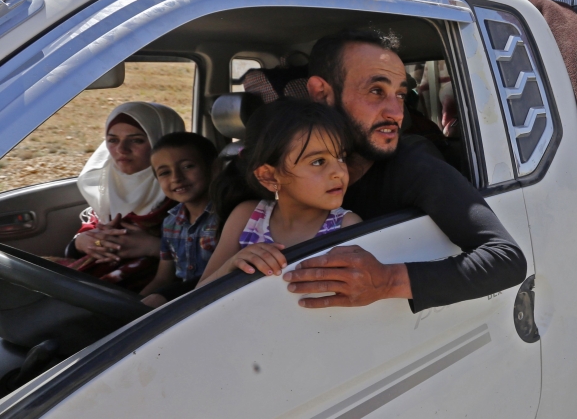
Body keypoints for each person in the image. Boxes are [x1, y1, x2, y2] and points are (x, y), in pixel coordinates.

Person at [287, 29, 527, 312]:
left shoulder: (413, 166)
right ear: (322, 93)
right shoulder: (287, 167)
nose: (397, 113)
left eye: (400, 95)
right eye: (376, 91)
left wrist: (387, 280)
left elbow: (505, 259)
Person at [199, 100, 363, 286]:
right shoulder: (246, 217)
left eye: (341, 157)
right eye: (318, 162)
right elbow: (197, 295)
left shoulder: (346, 226)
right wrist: (231, 266)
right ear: (269, 177)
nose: (340, 172)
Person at [66, 102, 185, 291]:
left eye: (136, 140)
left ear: (161, 140)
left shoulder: (184, 190)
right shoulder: (105, 184)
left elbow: (206, 259)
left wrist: (154, 247)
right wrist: (82, 242)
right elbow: (82, 242)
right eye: (113, 140)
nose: (121, 149)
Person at [140, 132, 220, 307]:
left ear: (214, 167)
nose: (176, 177)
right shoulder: (170, 222)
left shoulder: (227, 217)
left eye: (187, 166)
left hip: (216, 300)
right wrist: (134, 303)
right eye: (165, 173)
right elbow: (163, 278)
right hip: (181, 302)